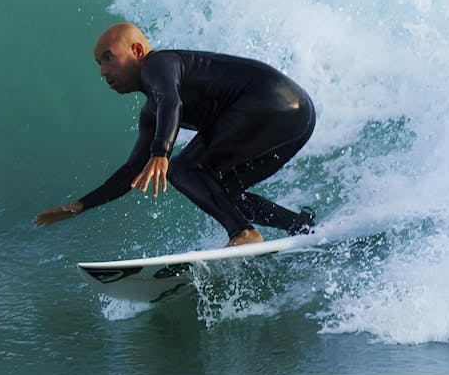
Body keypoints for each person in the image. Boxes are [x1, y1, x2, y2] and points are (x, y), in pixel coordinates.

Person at [34, 22, 316, 246]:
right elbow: (131, 171)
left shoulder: (159, 65)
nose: (103, 72)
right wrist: (80, 205)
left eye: (108, 59)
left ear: (137, 51)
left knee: (182, 168)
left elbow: (172, 101)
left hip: (268, 101)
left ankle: (243, 234)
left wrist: (161, 153)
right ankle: (300, 226)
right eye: (99, 63)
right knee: (221, 192)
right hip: (297, 115)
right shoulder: (150, 111)